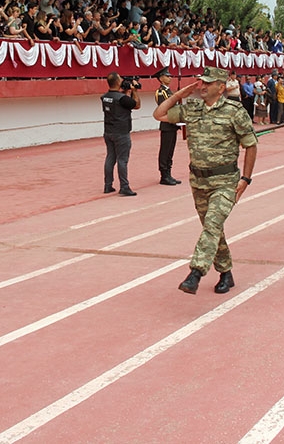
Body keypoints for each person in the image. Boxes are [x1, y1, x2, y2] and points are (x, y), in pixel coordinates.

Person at [154, 66, 257, 295]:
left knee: (211, 225)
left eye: (208, 83)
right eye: (202, 81)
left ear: (221, 87)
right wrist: (179, 95)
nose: (203, 86)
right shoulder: (192, 108)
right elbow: (159, 114)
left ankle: (196, 272)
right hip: (199, 181)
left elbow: (251, 145)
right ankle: (226, 271)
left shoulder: (234, 111)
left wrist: (246, 179)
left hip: (225, 181)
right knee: (212, 228)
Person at [102, 71, 141, 196]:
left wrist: (126, 92)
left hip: (108, 131)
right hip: (121, 132)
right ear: (118, 82)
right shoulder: (122, 99)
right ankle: (124, 186)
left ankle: (108, 185)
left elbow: (121, 101)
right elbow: (137, 105)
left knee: (110, 157)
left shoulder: (105, 97)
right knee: (122, 160)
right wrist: (134, 91)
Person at [153, 67, 181, 186]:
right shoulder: (161, 92)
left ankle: (168, 173)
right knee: (165, 150)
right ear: (161, 78)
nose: (170, 78)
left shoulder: (169, 91)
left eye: (170, 76)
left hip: (173, 122)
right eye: (167, 76)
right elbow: (165, 107)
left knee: (170, 150)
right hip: (166, 123)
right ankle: (164, 175)